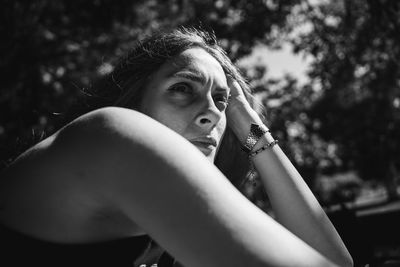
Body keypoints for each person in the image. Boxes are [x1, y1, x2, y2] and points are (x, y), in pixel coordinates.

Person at [0, 27, 353, 267]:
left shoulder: (154, 215)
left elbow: (333, 259)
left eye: (221, 100)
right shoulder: (109, 134)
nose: (211, 114)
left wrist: (251, 128)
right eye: (183, 88)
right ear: (135, 100)